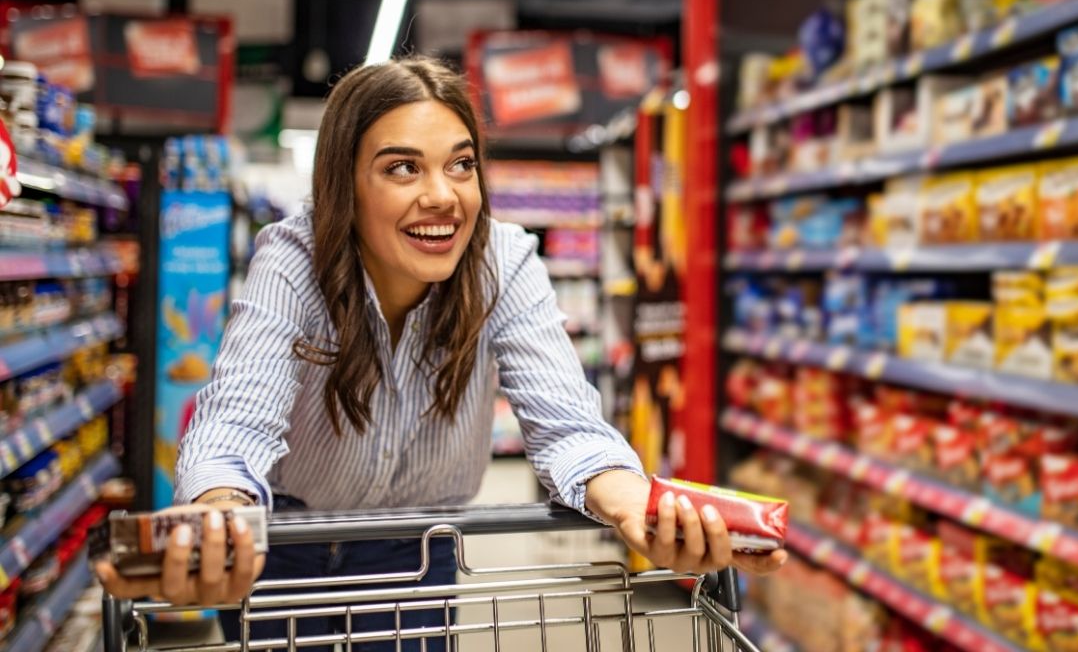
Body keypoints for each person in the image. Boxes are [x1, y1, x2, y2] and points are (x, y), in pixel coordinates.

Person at [95, 56, 786, 649]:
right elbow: (235, 422)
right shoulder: (294, 259)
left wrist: (639, 507)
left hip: (419, 550)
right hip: (286, 557)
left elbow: (570, 427)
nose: (443, 196)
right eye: (402, 168)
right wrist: (219, 513)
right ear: (345, 184)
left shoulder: (503, 261)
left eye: (461, 164)